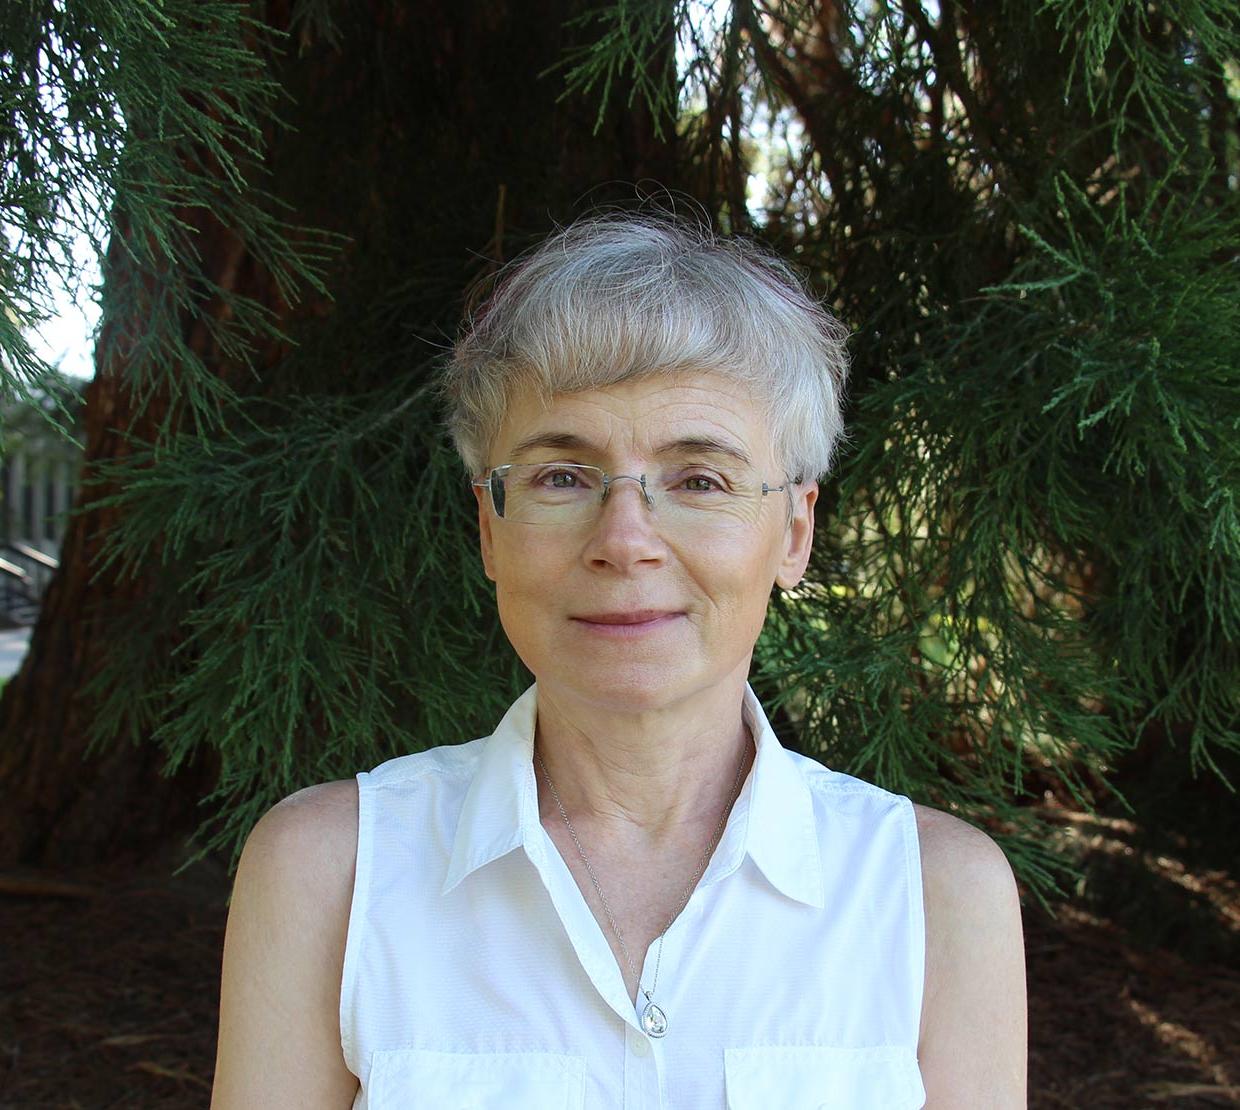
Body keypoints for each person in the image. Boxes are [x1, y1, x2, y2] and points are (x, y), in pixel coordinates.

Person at [210, 214, 1026, 1109]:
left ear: (794, 533)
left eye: (699, 479)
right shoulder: (331, 874)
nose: (625, 540)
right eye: (562, 476)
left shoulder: (936, 896)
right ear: (490, 529)